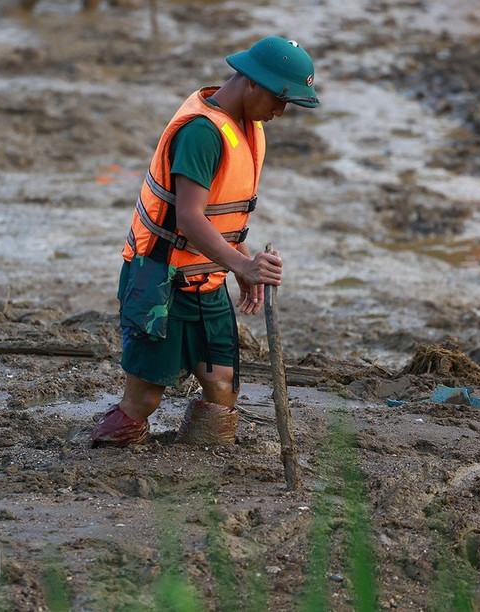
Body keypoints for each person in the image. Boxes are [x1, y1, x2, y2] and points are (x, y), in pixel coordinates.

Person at [92, 36, 320, 447]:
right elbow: (190, 216)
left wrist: (241, 262)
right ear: (251, 82)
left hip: (207, 282)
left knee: (222, 388)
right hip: (161, 282)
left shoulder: (248, 128)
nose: (280, 112)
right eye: (279, 99)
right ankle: (106, 451)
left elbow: (223, 213)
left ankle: (199, 457)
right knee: (143, 400)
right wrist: (242, 265)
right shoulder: (202, 132)